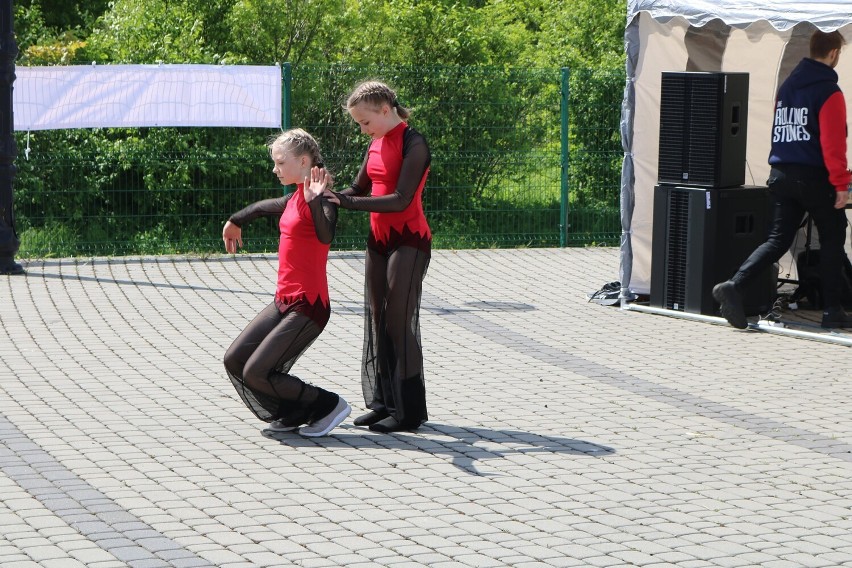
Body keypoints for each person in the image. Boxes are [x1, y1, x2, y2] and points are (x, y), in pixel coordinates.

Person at [713, 30, 852, 330]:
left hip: (781, 174)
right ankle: (832, 310)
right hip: (814, 177)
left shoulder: (787, 87)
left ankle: (734, 286)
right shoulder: (829, 91)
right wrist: (841, 184)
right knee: (832, 236)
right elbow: (832, 144)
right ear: (833, 54)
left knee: (778, 239)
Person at [222, 129, 351, 437]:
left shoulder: (323, 200)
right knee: (235, 360)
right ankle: (293, 410)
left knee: (257, 371)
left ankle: (328, 404)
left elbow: (326, 236)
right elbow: (265, 206)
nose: (275, 169)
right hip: (284, 300)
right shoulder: (294, 196)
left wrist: (317, 200)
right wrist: (236, 220)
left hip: (309, 306)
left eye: (280, 163)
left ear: (303, 161)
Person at [325, 80, 431, 433]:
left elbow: (401, 198)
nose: (362, 129)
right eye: (358, 123)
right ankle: (384, 402)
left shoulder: (414, 143)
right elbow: (357, 188)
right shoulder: (375, 143)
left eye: (365, 122)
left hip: (410, 240)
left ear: (386, 110)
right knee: (378, 318)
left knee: (399, 320)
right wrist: (327, 194)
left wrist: (348, 202)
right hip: (379, 240)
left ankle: (408, 411)